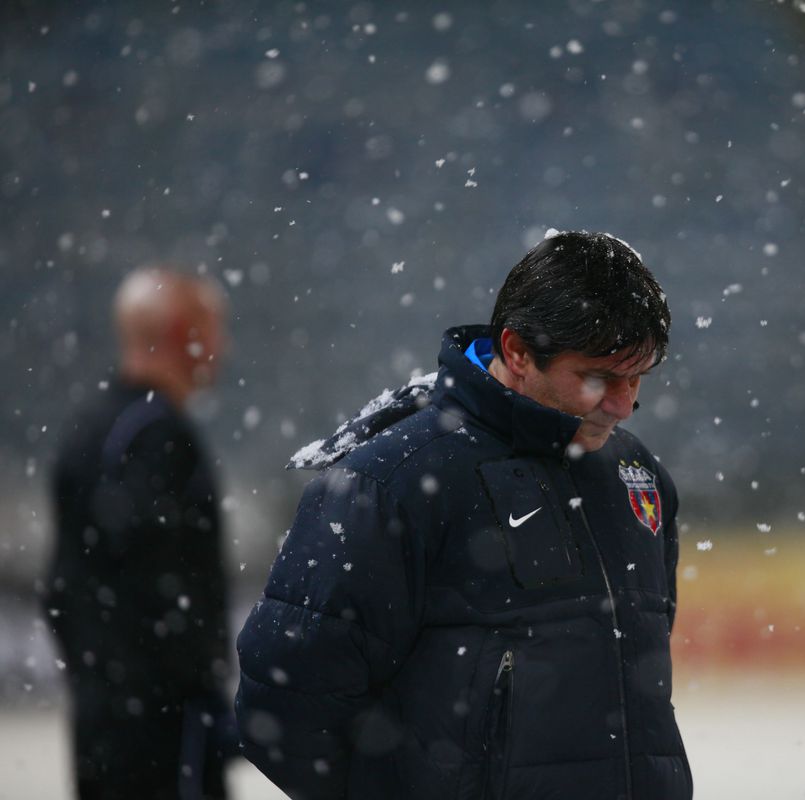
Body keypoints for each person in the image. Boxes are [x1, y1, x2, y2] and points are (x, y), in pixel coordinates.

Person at [236, 231, 692, 799]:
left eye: (637, 378)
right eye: (599, 378)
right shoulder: (390, 480)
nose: (624, 404)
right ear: (518, 351)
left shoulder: (635, 473)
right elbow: (286, 705)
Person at [44, 267, 234, 800]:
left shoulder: (90, 426)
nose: (224, 346)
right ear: (180, 332)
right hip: (162, 731)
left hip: (103, 722)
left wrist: (96, 680)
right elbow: (165, 585)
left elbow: (62, 585)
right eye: (215, 328)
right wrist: (195, 688)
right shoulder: (157, 436)